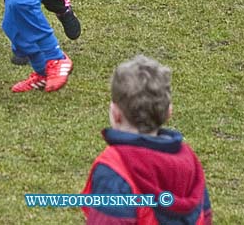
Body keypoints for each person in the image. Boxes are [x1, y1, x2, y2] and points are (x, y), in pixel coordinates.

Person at [82, 55, 212, 224]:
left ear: (116, 114)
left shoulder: (114, 168)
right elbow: (205, 214)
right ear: (169, 113)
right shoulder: (188, 160)